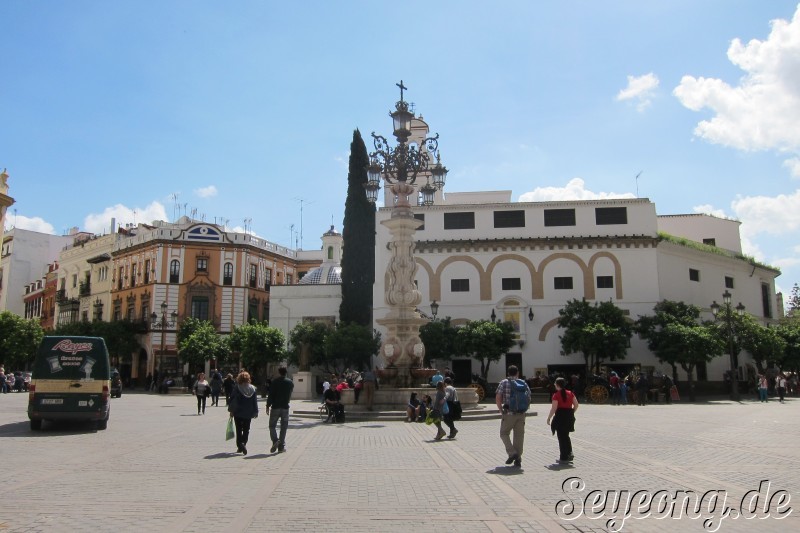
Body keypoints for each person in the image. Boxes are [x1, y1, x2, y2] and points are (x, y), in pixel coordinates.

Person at [495, 365, 530, 467]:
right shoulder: (523, 383)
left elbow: (498, 397)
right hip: (521, 413)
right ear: (517, 373)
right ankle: (518, 458)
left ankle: (512, 453)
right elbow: (529, 396)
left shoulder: (504, 382)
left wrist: (501, 409)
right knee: (519, 436)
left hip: (509, 413)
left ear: (508, 373)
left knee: (504, 433)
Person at [547, 376, 579, 464]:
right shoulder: (570, 393)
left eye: (555, 384)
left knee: (561, 436)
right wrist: (572, 412)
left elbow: (554, 408)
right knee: (566, 435)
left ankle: (564, 456)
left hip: (560, 416)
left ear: (557, 385)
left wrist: (549, 417)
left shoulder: (556, 395)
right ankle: (570, 452)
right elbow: (576, 404)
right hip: (569, 416)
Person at [228, 371, 259, 455]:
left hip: (238, 412)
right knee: (246, 429)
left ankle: (240, 445)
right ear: (248, 378)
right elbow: (254, 401)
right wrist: (256, 411)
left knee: (238, 429)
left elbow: (232, 399)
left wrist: (231, 410)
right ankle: (244, 443)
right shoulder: (253, 388)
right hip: (248, 412)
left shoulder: (237, 388)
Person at [267, 367, 294, 453]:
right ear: (286, 373)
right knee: (284, 427)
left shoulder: (275, 382)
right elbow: (290, 393)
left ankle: (275, 440)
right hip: (285, 407)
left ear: (279, 372)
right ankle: (281, 446)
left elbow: (271, 394)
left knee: (272, 426)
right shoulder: (290, 382)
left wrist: (268, 405)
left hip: (275, 407)